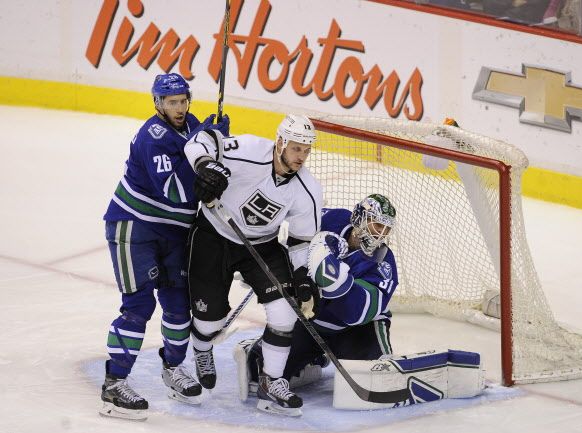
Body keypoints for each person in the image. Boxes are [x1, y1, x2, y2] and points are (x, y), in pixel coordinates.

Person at [100, 73, 229, 420]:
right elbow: (174, 191)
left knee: (177, 305)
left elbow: (205, 158)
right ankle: (114, 385)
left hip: (173, 234)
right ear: (157, 103)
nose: (178, 107)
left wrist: (217, 144)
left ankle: (173, 369)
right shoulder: (152, 138)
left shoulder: (191, 128)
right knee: (138, 306)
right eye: (171, 102)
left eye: (183, 100)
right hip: (135, 227)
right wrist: (205, 158)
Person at [183, 114, 323, 416]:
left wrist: (301, 275)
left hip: (262, 244)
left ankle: (271, 382)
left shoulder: (307, 189)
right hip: (214, 233)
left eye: (306, 150)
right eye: (297, 148)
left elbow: (300, 241)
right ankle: (203, 349)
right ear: (281, 142)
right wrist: (206, 166)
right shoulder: (247, 149)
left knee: (285, 312)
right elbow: (199, 141)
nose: (301, 157)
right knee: (209, 322)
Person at [234, 194, 398, 408]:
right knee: (260, 373)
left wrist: (332, 281)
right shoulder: (330, 220)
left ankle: (352, 355)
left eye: (386, 229)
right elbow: (293, 241)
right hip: (312, 321)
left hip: (357, 330)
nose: (381, 234)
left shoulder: (383, 261)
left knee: (377, 379)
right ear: (360, 217)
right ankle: (313, 357)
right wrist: (270, 271)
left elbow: (359, 313)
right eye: (377, 225)